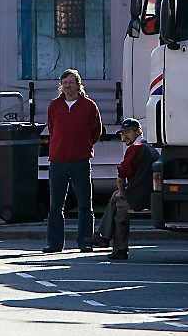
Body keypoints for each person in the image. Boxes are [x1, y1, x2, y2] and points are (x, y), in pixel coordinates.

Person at [42, 68, 102, 253]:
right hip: (58, 161)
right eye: (64, 83)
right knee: (56, 206)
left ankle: (85, 241)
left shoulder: (89, 106)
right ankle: (54, 243)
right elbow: (52, 128)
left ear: (78, 84)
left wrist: (83, 147)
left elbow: (96, 131)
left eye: (71, 82)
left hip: (81, 161)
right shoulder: (54, 106)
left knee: (85, 204)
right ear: (61, 86)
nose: (67, 86)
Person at [91, 118, 154, 261]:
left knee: (121, 209)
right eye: (122, 133)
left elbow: (121, 178)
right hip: (147, 194)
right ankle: (103, 236)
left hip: (139, 197)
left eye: (128, 132)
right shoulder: (148, 146)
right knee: (115, 196)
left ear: (138, 131)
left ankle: (119, 249)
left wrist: (122, 192)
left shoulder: (135, 149)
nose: (124, 136)